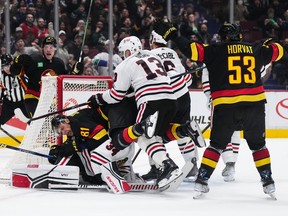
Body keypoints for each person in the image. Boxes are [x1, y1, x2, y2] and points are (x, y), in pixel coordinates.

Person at [153, 20, 284, 198]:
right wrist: (269, 42)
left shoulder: (215, 50)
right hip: (254, 106)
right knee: (259, 146)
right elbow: (279, 51)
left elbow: (192, 50)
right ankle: (268, 182)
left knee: (215, 146)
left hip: (225, 106)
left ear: (223, 37)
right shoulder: (255, 49)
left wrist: (174, 35)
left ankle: (201, 181)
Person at [88, 36, 204, 189]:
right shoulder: (153, 56)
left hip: (150, 100)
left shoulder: (125, 65)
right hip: (171, 98)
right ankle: (184, 130)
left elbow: (117, 95)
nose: (124, 55)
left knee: (141, 134)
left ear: (128, 51)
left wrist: (98, 98)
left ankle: (167, 166)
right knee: (158, 136)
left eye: (124, 52)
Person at [141, 30, 205, 182]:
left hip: (164, 97)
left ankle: (158, 167)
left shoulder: (148, 56)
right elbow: (187, 79)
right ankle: (192, 166)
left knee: (153, 134)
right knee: (181, 129)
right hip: (183, 96)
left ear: (152, 41)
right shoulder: (172, 53)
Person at [49, 107, 157, 191]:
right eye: (60, 132)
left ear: (67, 120)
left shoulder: (77, 123)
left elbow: (100, 135)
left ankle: (111, 175)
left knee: (95, 156)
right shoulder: (73, 125)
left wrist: (75, 146)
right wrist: (60, 150)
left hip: (120, 142)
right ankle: (126, 174)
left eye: (62, 129)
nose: (63, 132)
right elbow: (77, 144)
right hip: (123, 142)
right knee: (85, 151)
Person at [10, 36, 69, 117]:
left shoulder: (59, 63)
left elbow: (66, 82)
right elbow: (15, 72)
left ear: (55, 49)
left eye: (51, 47)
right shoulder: (34, 59)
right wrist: (17, 63)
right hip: (33, 97)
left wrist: (75, 72)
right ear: (42, 49)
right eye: (46, 47)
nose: (48, 49)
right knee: (37, 120)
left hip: (51, 99)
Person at [0, 54, 29, 125]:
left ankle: (38, 135)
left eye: (8, 65)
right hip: (9, 103)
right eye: (4, 66)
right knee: (1, 121)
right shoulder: (2, 76)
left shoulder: (20, 71)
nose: (7, 69)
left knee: (32, 121)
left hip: (23, 102)